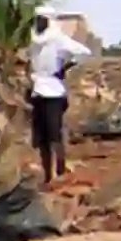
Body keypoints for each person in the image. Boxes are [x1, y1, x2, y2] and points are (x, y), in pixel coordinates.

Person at [27, 11, 89, 183]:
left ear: (48, 21)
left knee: (54, 135)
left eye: (41, 20)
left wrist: (66, 67)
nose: (38, 23)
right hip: (37, 91)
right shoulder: (33, 39)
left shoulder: (57, 39)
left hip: (53, 92)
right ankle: (48, 175)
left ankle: (60, 172)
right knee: (41, 139)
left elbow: (83, 52)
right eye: (36, 19)